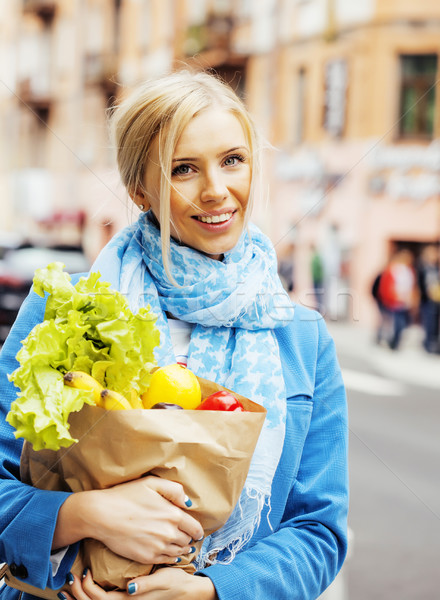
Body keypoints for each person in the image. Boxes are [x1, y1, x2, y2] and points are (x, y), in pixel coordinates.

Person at [0, 70, 348, 600]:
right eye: (182, 169)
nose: (215, 190)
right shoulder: (67, 308)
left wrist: (211, 589)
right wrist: (81, 515)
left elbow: (319, 530)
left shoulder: (302, 338)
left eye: (233, 159)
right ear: (141, 190)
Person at [377, 248, 417, 350]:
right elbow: (385, 287)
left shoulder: (409, 271)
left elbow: (412, 286)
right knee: (394, 323)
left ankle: (396, 342)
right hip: (393, 302)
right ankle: (392, 342)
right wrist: (389, 298)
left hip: (405, 302)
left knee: (402, 324)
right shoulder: (393, 270)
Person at [417, 244, 440, 353]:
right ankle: (428, 345)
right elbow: (419, 284)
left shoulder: (436, 268)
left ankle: (434, 344)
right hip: (427, 299)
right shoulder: (421, 267)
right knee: (429, 322)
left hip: (437, 299)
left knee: (435, 323)